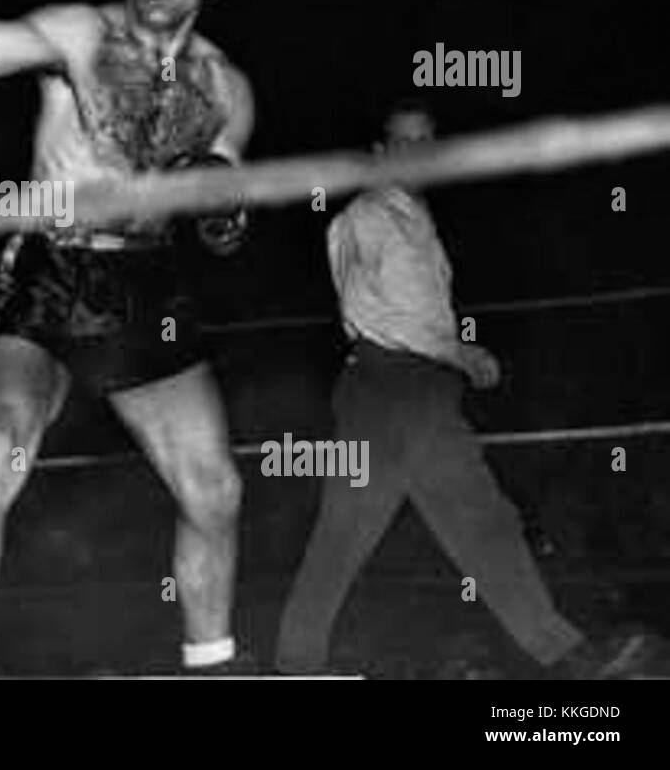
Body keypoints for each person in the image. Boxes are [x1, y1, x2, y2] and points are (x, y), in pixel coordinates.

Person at [0, 0, 255, 678]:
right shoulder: (79, 32)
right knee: (1, 442)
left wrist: (223, 216)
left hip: (145, 287)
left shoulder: (227, 90)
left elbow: (222, 200)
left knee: (216, 488)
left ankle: (211, 666)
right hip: (50, 267)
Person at [275, 101, 667, 679]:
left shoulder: (412, 217)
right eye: (405, 142)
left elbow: (408, 311)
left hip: (407, 389)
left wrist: (447, 359)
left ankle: (295, 663)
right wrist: (464, 354)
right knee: (453, 524)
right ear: (381, 153)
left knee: (428, 527)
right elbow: (381, 315)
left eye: (428, 142)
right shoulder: (367, 218)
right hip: (392, 384)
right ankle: (566, 655)